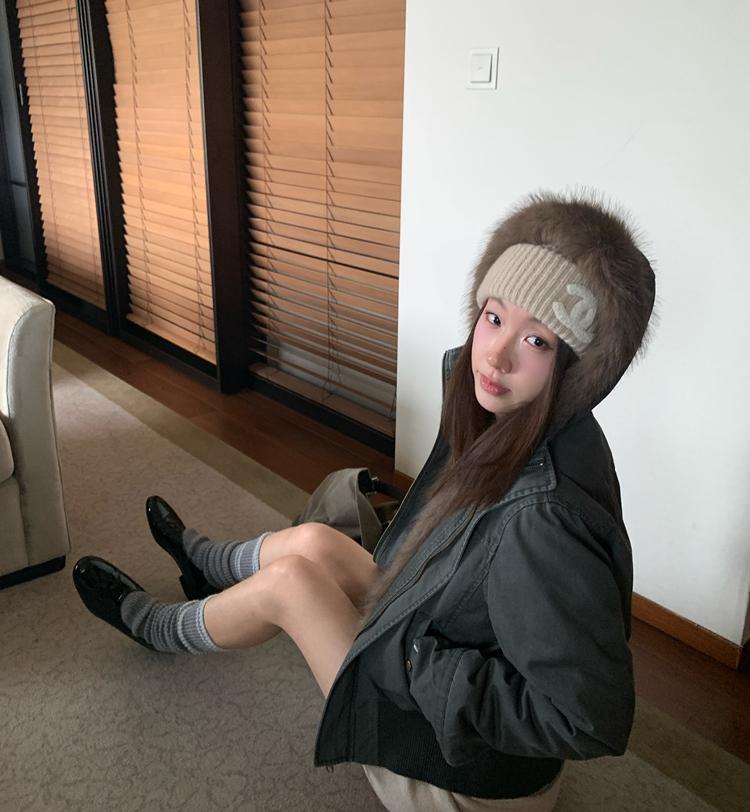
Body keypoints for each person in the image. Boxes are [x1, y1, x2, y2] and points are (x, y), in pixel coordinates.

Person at [73, 189, 656, 811]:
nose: (496, 353)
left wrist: (418, 659)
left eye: (537, 341)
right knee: (316, 542)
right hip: (450, 662)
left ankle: (159, 629)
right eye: (494, 317)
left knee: (292, 586)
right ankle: (203, 567)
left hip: (468, 785)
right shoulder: (515, 422)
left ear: (575, 367)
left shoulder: (544, 516)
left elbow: (587, 718)